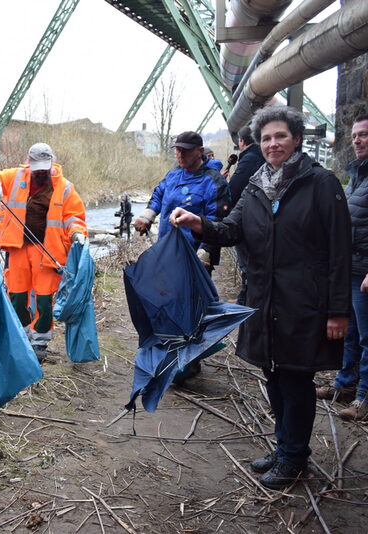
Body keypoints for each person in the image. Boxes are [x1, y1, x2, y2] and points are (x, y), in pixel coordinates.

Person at [170, 105, 350, 490]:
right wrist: (198, 222)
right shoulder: (255, 185)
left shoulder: (321, 184)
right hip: (265, 299)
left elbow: (340, 250)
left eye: (280, 136)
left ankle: (295, 458)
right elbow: (231, 229)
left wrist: (338, 311)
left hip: (304, 302)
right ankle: (285, 446)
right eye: (267, 138)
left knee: (296, 379)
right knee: (272, 372)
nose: (273, 144)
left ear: (296, 139)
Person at [0, 143, 88, 361]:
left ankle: (40, 343)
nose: (40, 172)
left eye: (44, 168)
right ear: (28, 162)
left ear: (52, 163)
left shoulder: (64, 187)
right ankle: (21, 336)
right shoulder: (14, 177)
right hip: (17, 248)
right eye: (36, 167)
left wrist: (77, 233)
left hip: (47, 250)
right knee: (16, 295)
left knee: (44, 299)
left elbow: (74, 216)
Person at [316, 113, 368, 422]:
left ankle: (364, 398)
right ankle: (346, 385)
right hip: (350, 269)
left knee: (367, 337)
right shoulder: (356, 175)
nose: (358, 140)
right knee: (349, 333)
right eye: (356, 135)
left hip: (365, 274)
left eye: (364, 134)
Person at [133, 131, 231, 274]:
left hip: (193, 256)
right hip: (165, 250)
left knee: (192, 295)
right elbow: (159, 194)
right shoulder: (173, 174)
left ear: (200, 151)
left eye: (186, 151)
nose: (180, 154)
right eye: (178, 150)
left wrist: (206, 251)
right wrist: (148, 215)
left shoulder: (214, 182)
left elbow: (217, 220)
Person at [228, 125, 267, 305]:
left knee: (247, 264)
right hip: (258, 219)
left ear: (242, 142)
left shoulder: (249, 159)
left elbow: (234, 190)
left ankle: (247, 299)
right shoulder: (261, 158)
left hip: (246, 220)